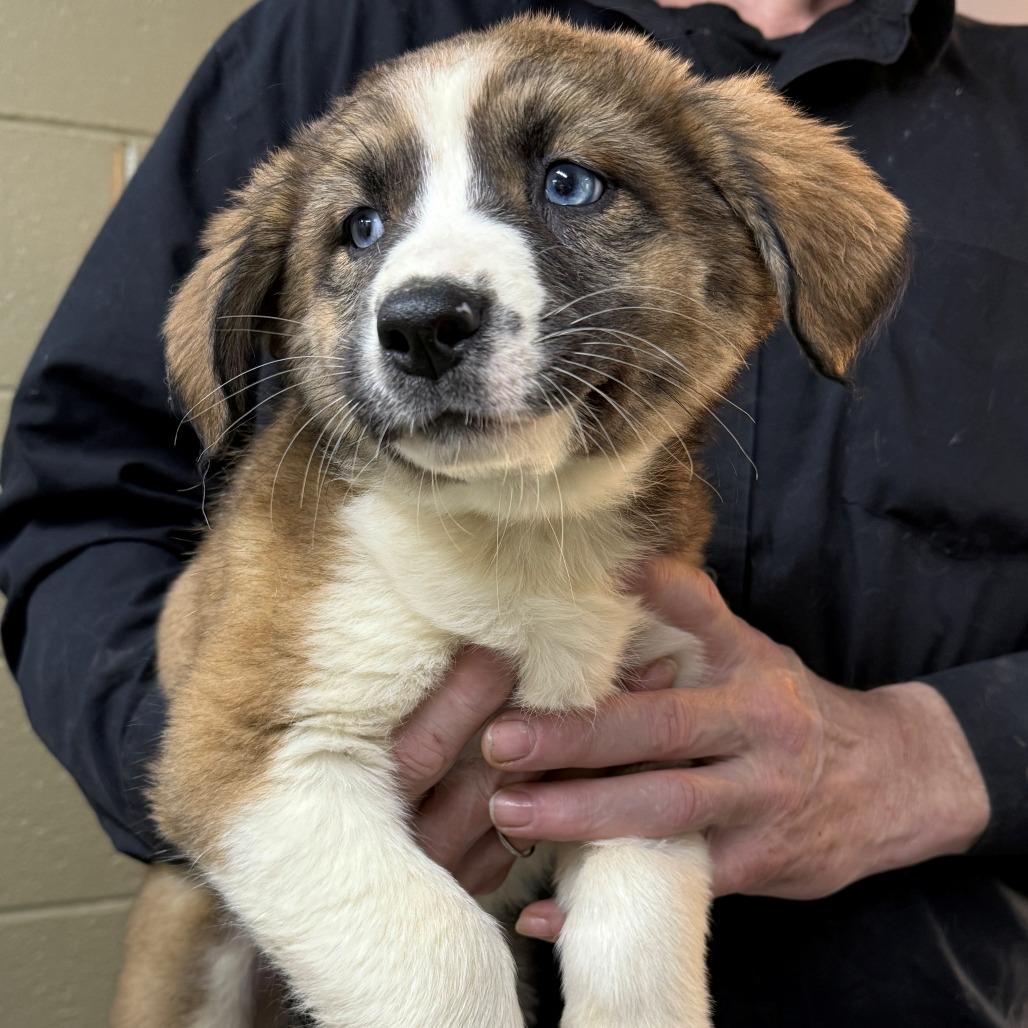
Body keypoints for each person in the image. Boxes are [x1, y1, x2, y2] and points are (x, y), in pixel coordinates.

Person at [0, 0, 1025, 1023]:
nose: (427, 295)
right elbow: (78, 491)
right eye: (362, 228)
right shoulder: (334, 25)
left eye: (568, 183)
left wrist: (942, 748)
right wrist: (224, 761)